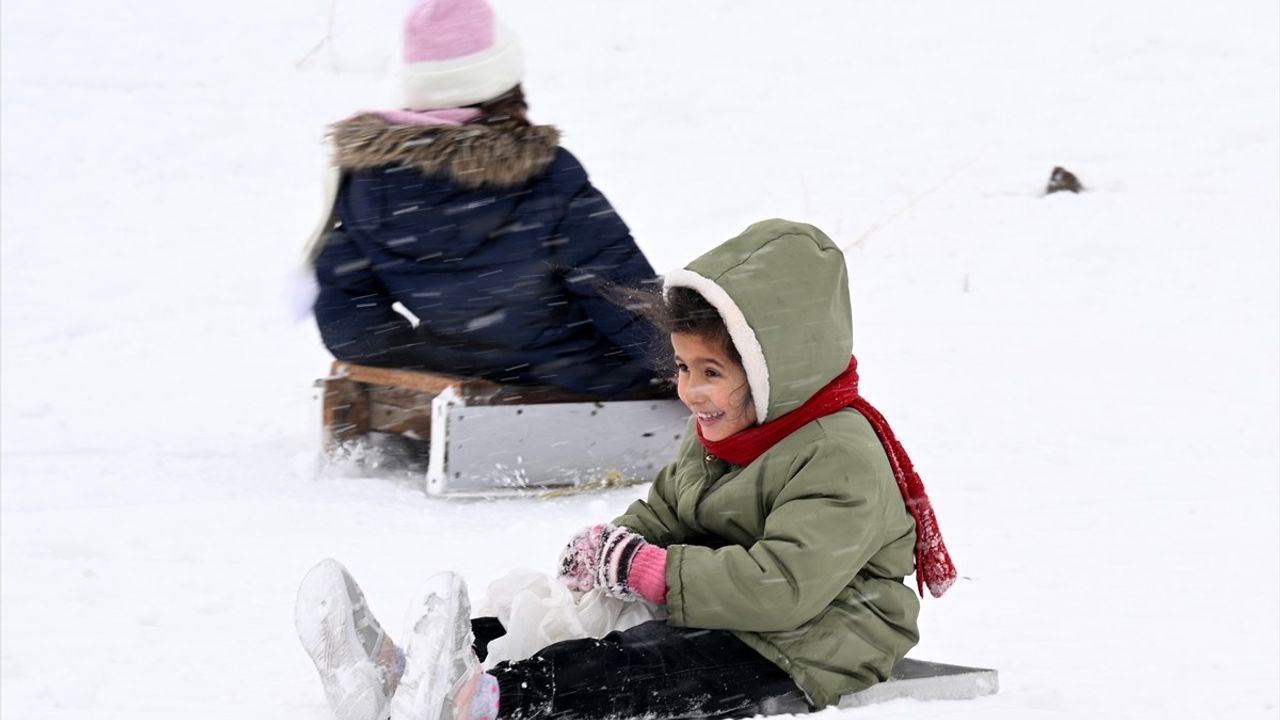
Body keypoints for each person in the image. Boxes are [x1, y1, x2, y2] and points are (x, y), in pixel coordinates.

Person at [295, 219, 959, 720]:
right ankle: (413, 670)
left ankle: (482, 702)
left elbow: (782, 588)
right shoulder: (725, 431)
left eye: (712, 373)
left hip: (816, 638)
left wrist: (649, 572)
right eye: (683, 367)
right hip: (722, 604)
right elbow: (668, 511)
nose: (690, 391)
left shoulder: (838, 455)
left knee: (643, 667)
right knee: (555, 610)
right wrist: (613, 550)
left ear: (777, 372)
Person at [306, 0, 662, 398]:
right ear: (503, 83)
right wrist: (689, 364)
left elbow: (348, 312)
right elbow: (623, 296)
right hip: (581, 378)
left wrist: (416, 367)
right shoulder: (545, 175)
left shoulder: (369, 182)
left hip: (456, 372)